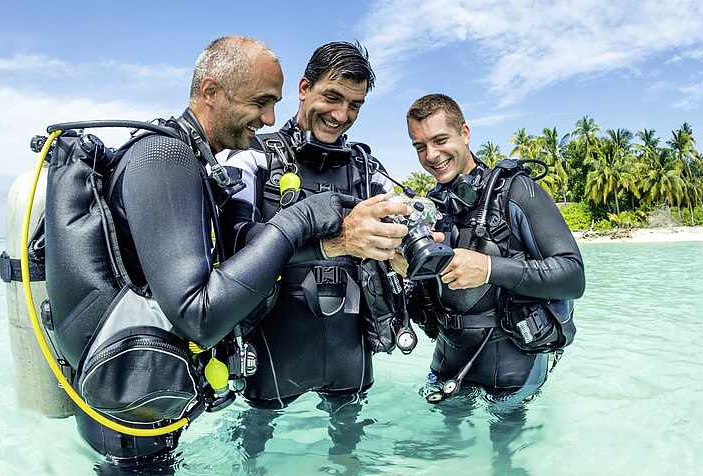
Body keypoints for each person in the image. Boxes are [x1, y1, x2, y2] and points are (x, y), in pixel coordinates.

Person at [77, 36, 359, 472]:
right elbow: (200, 315)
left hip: (147, 402)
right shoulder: (162, 156)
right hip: (127, 422)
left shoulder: (192, 161)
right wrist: (299, 220)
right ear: (210, 91)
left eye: (274, 104)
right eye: (261, 102)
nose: (269, 119)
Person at [221, 41, 410, 459]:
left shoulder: (365, 169)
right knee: (252, 451)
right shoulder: (253, 157)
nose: (342, 116)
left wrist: (413, 246)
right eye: (332, 97)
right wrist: (334, 244)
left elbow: (407, 225)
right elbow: (234, 246)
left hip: (349, 350)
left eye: (355, 105)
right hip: (274, 346)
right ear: (304, 88)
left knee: (350, 453)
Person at [397, 93, 584, 413]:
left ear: (465, 133)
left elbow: (572, 276)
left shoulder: (516, 190)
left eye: (440, 139)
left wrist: (488, 267)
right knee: (443, 455)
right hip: (448, 361)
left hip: (513, 367)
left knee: (504, 460)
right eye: (419, 146)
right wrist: (403, 266)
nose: (431, 155)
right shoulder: (431, 206)